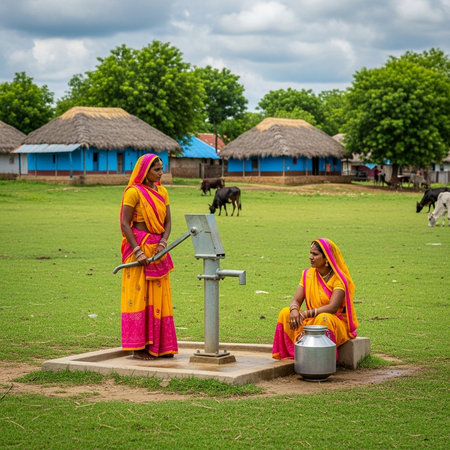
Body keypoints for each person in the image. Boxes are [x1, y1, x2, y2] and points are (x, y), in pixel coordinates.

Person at [120, 153, 178, 360]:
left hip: (158, 251)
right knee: (139, 297)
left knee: (160, 298)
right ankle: (139, 347)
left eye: (162, 168)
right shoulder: (133, 192)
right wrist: (137, 250)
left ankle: (161, 346)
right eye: (156, 169)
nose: (161, 172)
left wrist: (163, 242)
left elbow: (168, 222)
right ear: (145, 171)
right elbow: (125, 224)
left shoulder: (162, 191)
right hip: (139, 249)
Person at [272, 238, 358, 360]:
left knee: (323, 319)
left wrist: (306, 313)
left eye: (315, 254)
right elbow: (296, 300)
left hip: (333, 322)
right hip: (311, 320)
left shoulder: (339, 279)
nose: (310, 257)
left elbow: (333, 307)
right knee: (285, 313)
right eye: (310, 253)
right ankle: (292, 354)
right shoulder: (308, 274)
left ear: (327, 258)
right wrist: (294, 310)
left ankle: (322, 360)